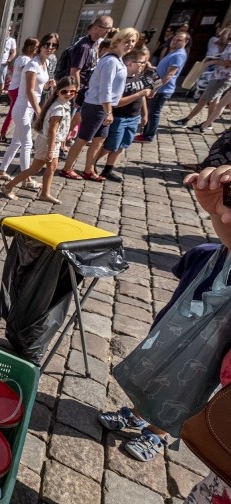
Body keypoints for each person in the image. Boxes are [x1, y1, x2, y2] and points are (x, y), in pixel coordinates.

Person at [98, 164, 231, 463]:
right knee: (152, 371)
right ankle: (137, 415)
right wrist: (215, 212)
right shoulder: (207, 254)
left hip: (210, 351)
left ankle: (157, 432)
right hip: (174, 329)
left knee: (182, 388)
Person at [61, 28, 137, 180]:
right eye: (126, 41)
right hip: (97, 106)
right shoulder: (111, 61)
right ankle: (67, 168)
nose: (130, 44)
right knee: (83, 139)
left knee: (99, 139)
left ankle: (89, 169)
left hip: (103, 106)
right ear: (118, 41)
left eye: (133, 41)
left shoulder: (117, 60)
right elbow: (105, 88)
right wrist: (108, 111)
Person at [0, 77, 78, 204]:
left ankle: (45, 193)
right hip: (48, 142)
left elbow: (59, 130)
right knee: (35, 169)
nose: (69, 94)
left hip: (52, 141)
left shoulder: (63, 104)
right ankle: (8, 186)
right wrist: (51, 150)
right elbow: (53, 131)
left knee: (51, 168)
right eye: (65, 91)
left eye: (72, 92)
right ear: (58, 92)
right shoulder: (58, 109)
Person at [0, 33, 58, 185]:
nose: (49, 48)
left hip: (29, 107)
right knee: (27, 144)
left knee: (16, 142)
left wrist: (47, 85)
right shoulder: (32, 64)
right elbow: (29, 91)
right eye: (46, 44)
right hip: (23, 106)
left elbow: (37, 89)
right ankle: (26, 178)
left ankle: (2, 170)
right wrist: (39, 111)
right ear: (40, 46)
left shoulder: (45, 64)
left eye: (53, 45)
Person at [88, 48, 152, 182]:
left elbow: (143, 97)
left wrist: (144, 114)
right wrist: (139, 94)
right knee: (111, 145)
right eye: (140, 62)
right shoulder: (121, 80)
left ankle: (108, 169)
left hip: (134, 117)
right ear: (129, 63)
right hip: (119, 117)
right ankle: (91, 165)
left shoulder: (139, 77)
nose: (143, 65)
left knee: (123, 144)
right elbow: (116, 103)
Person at [134, 31, 190, 143]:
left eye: (179, 40)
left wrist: (155, 88)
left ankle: (148, 136)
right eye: (174, 39)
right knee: (151, 111)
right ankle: (146, 133)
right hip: (159, 86)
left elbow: (169, 75)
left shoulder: (179, 55)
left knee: (153, 113)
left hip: (163, 89)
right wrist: (152, 68)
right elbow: (163, 70)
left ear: (185, 42)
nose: (174, 41)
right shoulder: (173, 52)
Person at [171, 37, 231, 131]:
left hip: (223, 77)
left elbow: (229, 62)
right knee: (214, 101)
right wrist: (215, 58)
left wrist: (214, 61)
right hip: (218, 75)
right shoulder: (229, 45)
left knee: (204, 99)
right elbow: (225, 58)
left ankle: (187, 120)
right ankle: (208, 123)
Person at [0, 37, 39, 143]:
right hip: (17, 88)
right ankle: (5, 133)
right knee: (15, 113)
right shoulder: (25, 59)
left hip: (14, 87)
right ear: (31, 47)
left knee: (13, 112)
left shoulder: (21, 58)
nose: (37, 49)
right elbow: (26, 76)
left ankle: (6, 133)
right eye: (36, 47)